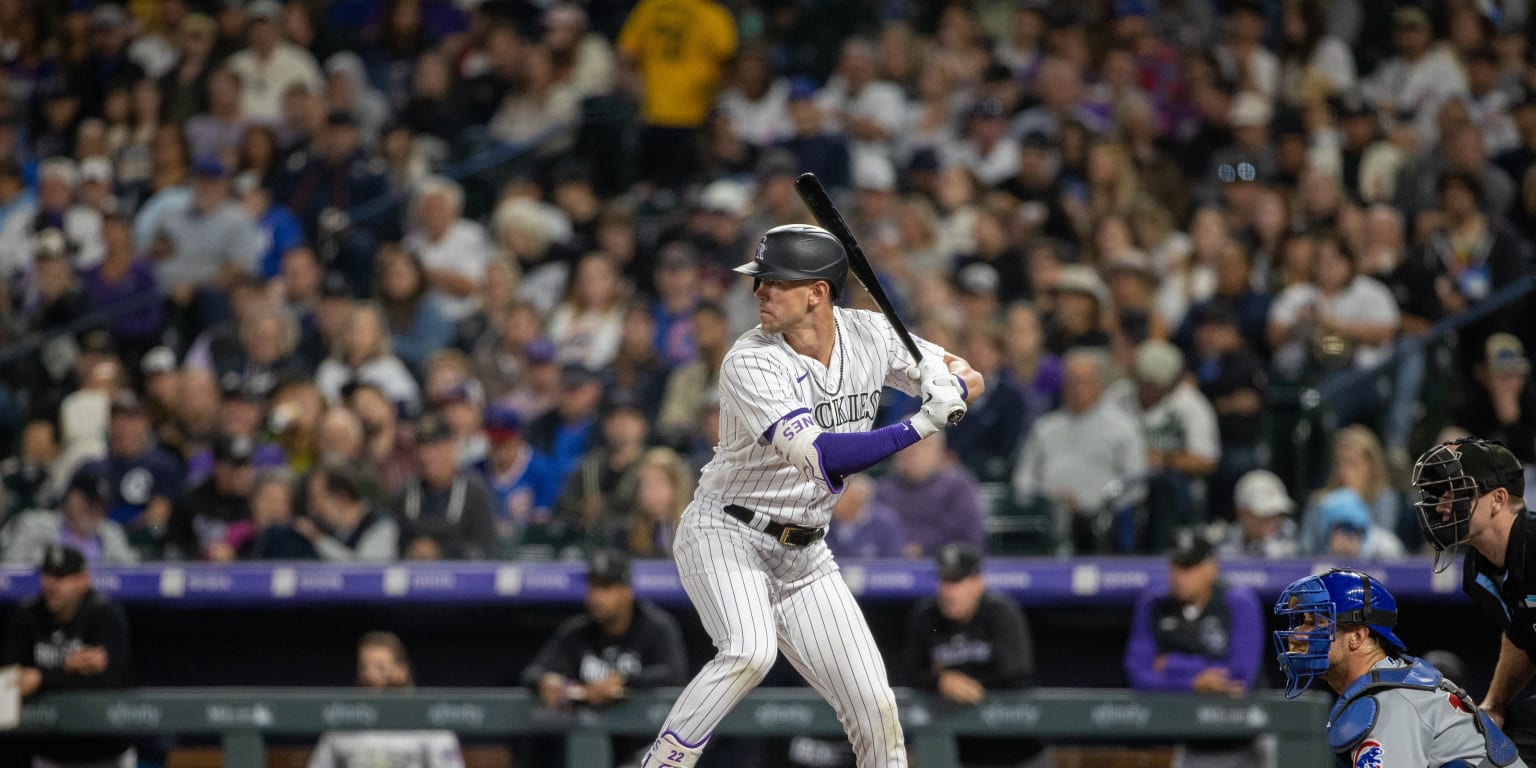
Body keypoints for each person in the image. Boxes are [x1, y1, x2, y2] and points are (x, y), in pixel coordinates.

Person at [638, 223, 983, 768]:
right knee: (750, 651)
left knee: (876, 710)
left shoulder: (869, 334)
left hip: (805, 554)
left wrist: (952, 383)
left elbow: (971, 374)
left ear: (817, 292)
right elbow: (825, 459)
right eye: (760, 281)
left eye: (774, 282)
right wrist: (921, 423)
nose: (759, 293)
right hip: (727, 531)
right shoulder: (749, 359)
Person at [1274, 568, 1526, 768]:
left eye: (1314, 622)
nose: (1297, 635)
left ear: (1358, 636)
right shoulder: (1394, 681)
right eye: (1300, 622)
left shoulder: (1389, 705)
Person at [1411, 438, 1536, 759]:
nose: (1441, 507)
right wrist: (1495, 703)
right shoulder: (1477, 570)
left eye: (1456, 494)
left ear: (1498, 499)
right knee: (1481, 749)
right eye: (1441, 496)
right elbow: (1520, 632)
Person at [523, 549, 688, 766]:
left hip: (645, 749)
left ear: (627, 591)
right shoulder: (577, 632)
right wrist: (545, 681)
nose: (596, 596)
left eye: (606, 587)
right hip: (584, 746)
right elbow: (533, 672)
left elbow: (674, 673)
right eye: (592, 586)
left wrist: (624, 681)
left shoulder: (656, 627)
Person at [1123, 530, 1267, 768]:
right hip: (1190, 742)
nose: (1179, 576)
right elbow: (1137, 674)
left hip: (1246, 738)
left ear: (1212, 568)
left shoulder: (1238, 602)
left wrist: (1170, 665)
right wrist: (1192, 683)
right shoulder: (1155, 604)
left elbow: (1238, 679)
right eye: (1175, 566)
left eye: (1188, 567)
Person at [898, 543, 1047, 768]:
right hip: (962, 754)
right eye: (943, 581)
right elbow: (908, 672)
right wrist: (940, 680)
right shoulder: (925, 616)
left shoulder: (1001, 612)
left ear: (978, 584)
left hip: (1017, 752)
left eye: (956, 582)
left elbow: (1017, 675)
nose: (948, 591)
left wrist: (957, 679)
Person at [1, 545, 134, 768]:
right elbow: (9, 678)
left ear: (83, 580)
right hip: (50, 754)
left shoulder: (104, 614)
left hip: (105, 753)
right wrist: (65, 669)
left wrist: (42, 679)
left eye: (62, 577)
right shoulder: (27, 615)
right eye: (48, 575)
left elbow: (114, 679)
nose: (52, 585)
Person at [307, 631, 465, 768]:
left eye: (380, 668)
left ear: (401, 671)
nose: (370, 676)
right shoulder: (343, 720)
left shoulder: (428, 719)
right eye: (364, 668)